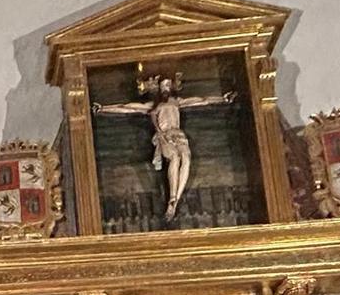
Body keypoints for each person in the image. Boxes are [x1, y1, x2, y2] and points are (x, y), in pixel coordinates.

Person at [91, 73, 238, 222]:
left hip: (179, 135)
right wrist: (103, 108)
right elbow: (128, 108)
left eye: (168, 85)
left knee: (186, 159)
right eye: (163, 86)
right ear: (159, 89)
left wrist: (223, 99)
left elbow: (202, 100)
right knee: (174, 158)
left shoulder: (177, 102)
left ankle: (175, 200)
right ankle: (172, 198)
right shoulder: (154, 106)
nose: (166, 88)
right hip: (164, 136)